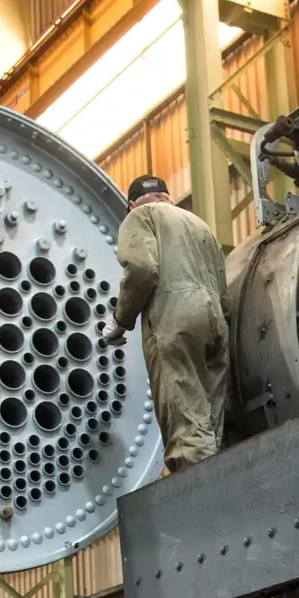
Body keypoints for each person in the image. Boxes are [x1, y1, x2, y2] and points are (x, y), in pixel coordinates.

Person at [103, 174, 231, 472]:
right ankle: (223, 476)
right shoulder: (199, 224)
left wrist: (121, 319)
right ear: (167, 196)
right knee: (212, 418)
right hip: (214, 320)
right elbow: (223, 287)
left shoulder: (141, 216)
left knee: (184, 416)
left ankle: (198, 491)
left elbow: (142, 269)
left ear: (132, 204)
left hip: (175, 317)